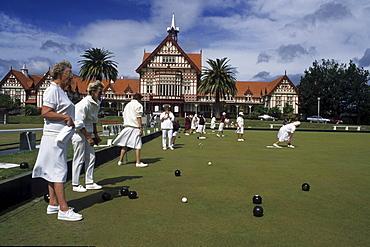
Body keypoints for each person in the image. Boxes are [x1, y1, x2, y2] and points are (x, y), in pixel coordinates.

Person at [32, 61, 83, 221]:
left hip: (59, 136)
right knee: (59, 171)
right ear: (60, 74)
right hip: (54, 137)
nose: (71, 76)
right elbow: (46, 112)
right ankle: (63, 209)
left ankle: (53, 204)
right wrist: (66, 117)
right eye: (69, 73)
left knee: (53, 170)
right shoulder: (52, 90)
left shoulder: (61, 91)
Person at [71, 80, 104, 192]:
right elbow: (78, 123)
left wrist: (95, 135)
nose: (101, 94)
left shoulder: (96, 103)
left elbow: (94, 120)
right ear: (93, 91)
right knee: (79, 158)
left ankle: (89, 182)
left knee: (91, 157)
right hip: (79, 133)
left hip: (88, 133)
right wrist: (88, 138)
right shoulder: (83, 104)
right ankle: (75, 184)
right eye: (100, 92)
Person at [113, 93, 148, 167]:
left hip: (127, 127)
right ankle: (138, 162)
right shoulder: (138, 105)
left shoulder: (127, 105)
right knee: (138, 145)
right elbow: (138, 117)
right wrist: (141, 128)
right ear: (138, 99)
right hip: (134, 127)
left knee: (124, 144)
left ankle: (121, 160)